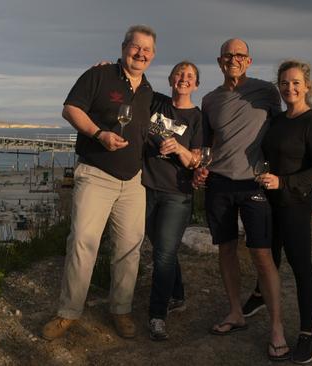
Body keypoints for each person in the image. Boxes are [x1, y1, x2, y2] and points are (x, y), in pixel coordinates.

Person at [41, 24, 156, 341]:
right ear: (123, 47)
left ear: (153, 55)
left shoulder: (147, 91)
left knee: (128, 249)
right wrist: (98, 134)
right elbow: (70, 109)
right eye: (135, 46)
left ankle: (121, 309)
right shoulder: (99, 76)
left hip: (134, 182)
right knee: (82, 244)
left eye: (147, 49)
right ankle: (68, 312)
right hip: (96, 175)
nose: (140, 53)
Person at [193, 38, 289, 361]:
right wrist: (200, 169)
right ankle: (235, 312)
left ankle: (277, 327)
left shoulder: (267, 92)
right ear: (219, 62)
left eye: (239, 55)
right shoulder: (209, 100)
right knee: (226, 249)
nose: (233, 60)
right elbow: (206, 146)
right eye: (227, 56)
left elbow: (282, 132)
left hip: (255, 183)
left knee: (262, 255)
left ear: (248, 61)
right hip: (219, 183)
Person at [254, 59, 312, 363]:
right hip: (269, 203)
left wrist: (284, 182)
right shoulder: (277, 119)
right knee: (268, 262)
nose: (290, 88)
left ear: (307, 86)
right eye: (284, 83)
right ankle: (261, 302)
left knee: (300, 267)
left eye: (296, 82)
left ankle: (306, 334)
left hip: (295, 205)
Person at [144, 61, 203, 341]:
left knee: (163, 255)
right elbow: (133, 79)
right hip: (145, 187)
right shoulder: (156, 102)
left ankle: (157, 315)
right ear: (170, 78)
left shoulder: (197, 117)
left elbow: (197, 160)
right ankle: (177, 293)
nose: (184, 78)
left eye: (190, 76)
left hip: (177, 194)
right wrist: (108, 66)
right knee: (160, 247)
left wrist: (179, 148)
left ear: (196, 84)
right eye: (180, 73)